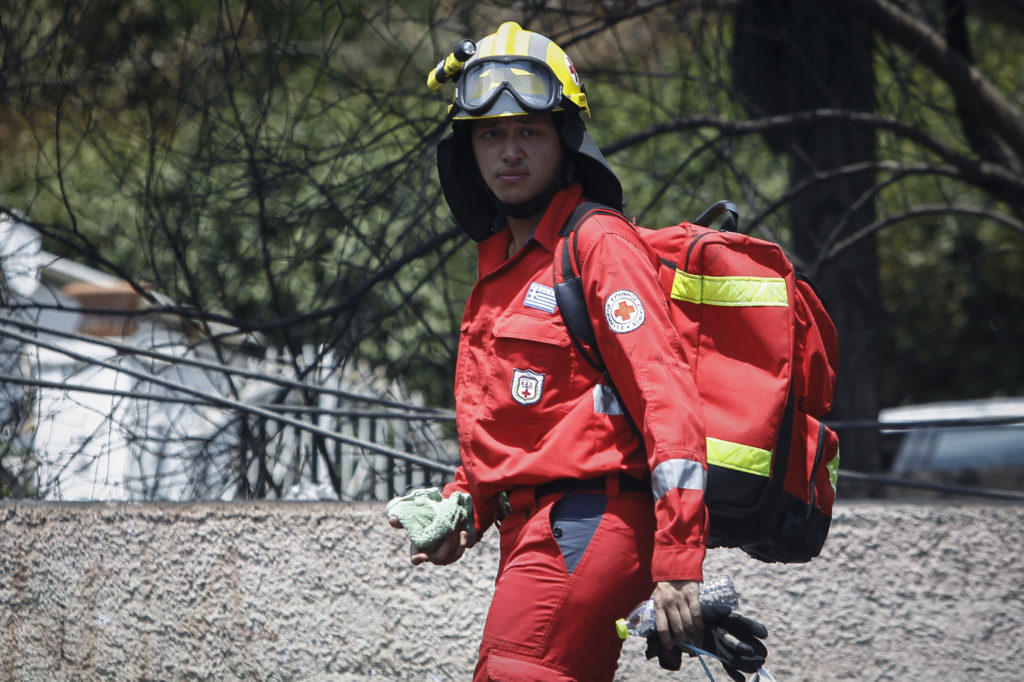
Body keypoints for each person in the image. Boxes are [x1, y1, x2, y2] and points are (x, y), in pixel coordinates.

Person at [390, 21, 708, 681]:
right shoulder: (500, 270)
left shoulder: (598, 243)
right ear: (468, 150)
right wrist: (466, 508)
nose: (509, 152)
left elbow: (667, 399)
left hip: (589, 522)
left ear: (563, 141)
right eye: (491, 134)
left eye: (528, 131)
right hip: (529, 532)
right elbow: (522, 429)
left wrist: (680, 560)